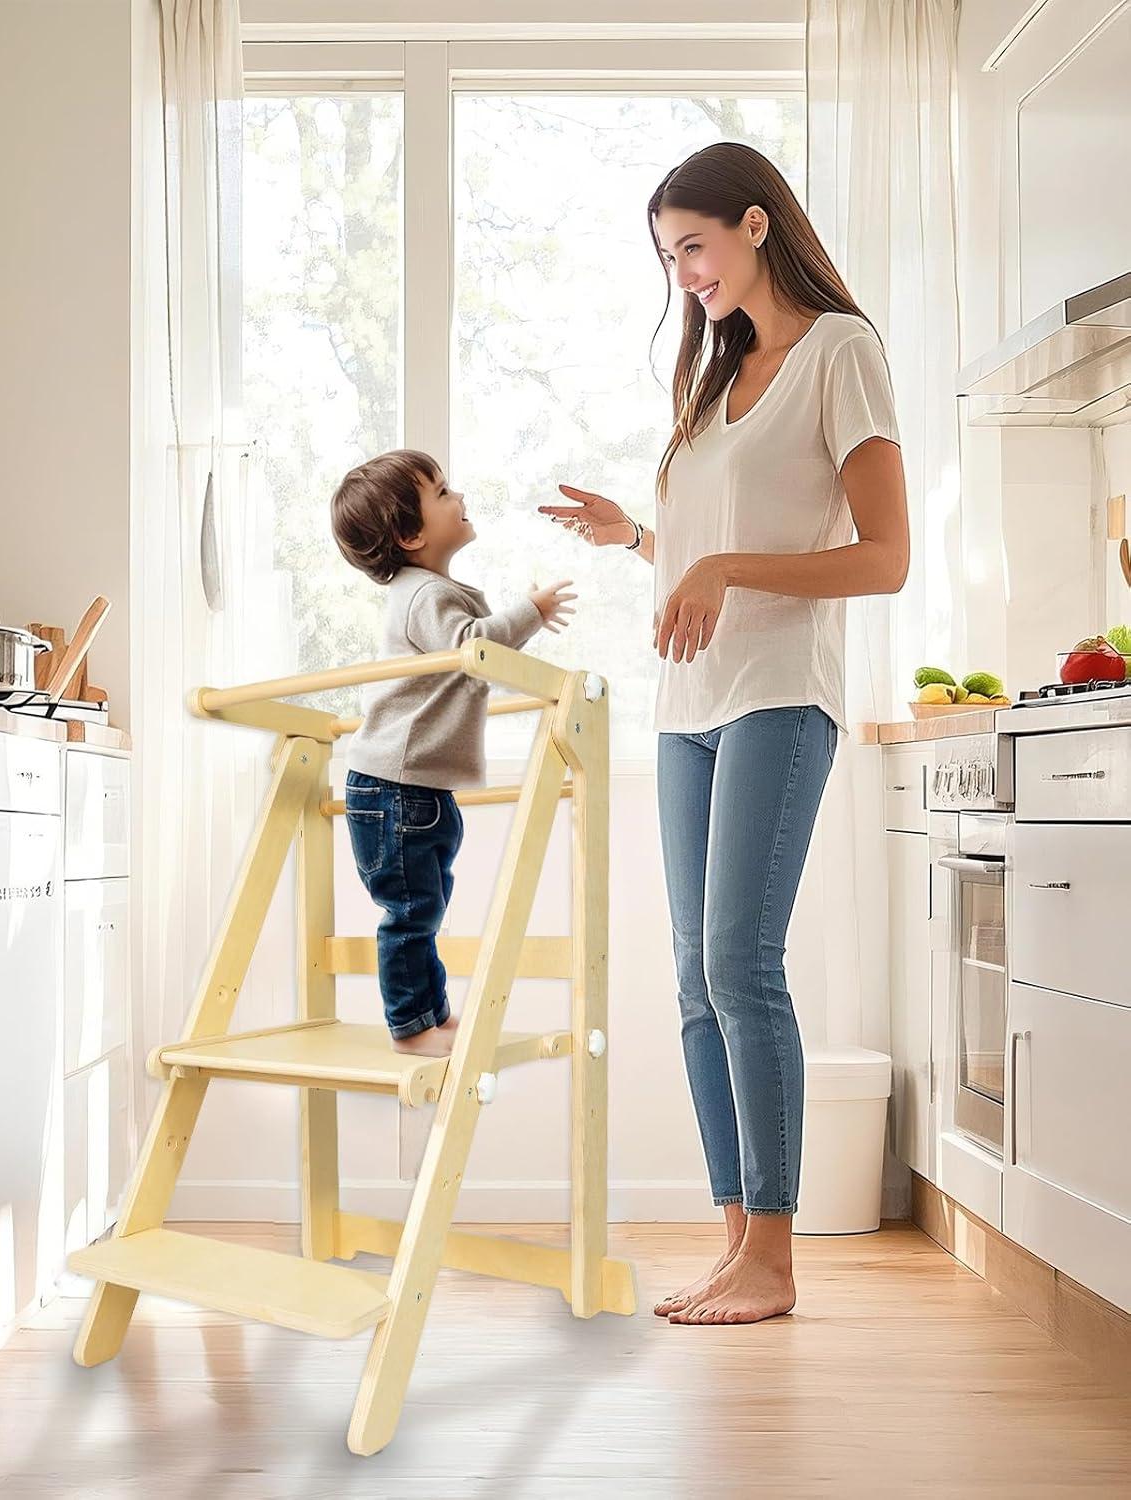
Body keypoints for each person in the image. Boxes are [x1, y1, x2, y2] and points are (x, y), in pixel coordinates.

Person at [540, 141, 909, 1324]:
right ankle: (737, 1237)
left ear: (757, 225)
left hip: (780, 697)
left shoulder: (840, 354)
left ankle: (779, 1258)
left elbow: (887, 557)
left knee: (745, 969)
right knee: (698, 980)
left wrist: (718, 561)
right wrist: (639, 543)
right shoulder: (715, 378)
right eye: (667, 256)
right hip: (690, 709)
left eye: (692, 245)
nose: (682, 272)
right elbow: (705, 565)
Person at [331, 449, 575, 1056]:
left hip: (410, 788)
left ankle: (431, 1015)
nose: (458, 497)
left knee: (424, 906)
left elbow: (482, 656)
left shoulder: (430, 591)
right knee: (412, 911)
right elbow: (474, 649)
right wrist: (532, 612)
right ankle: (413, 1026)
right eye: (442, 492)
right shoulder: (424, 596)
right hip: (397, 788)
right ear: (411, 533)